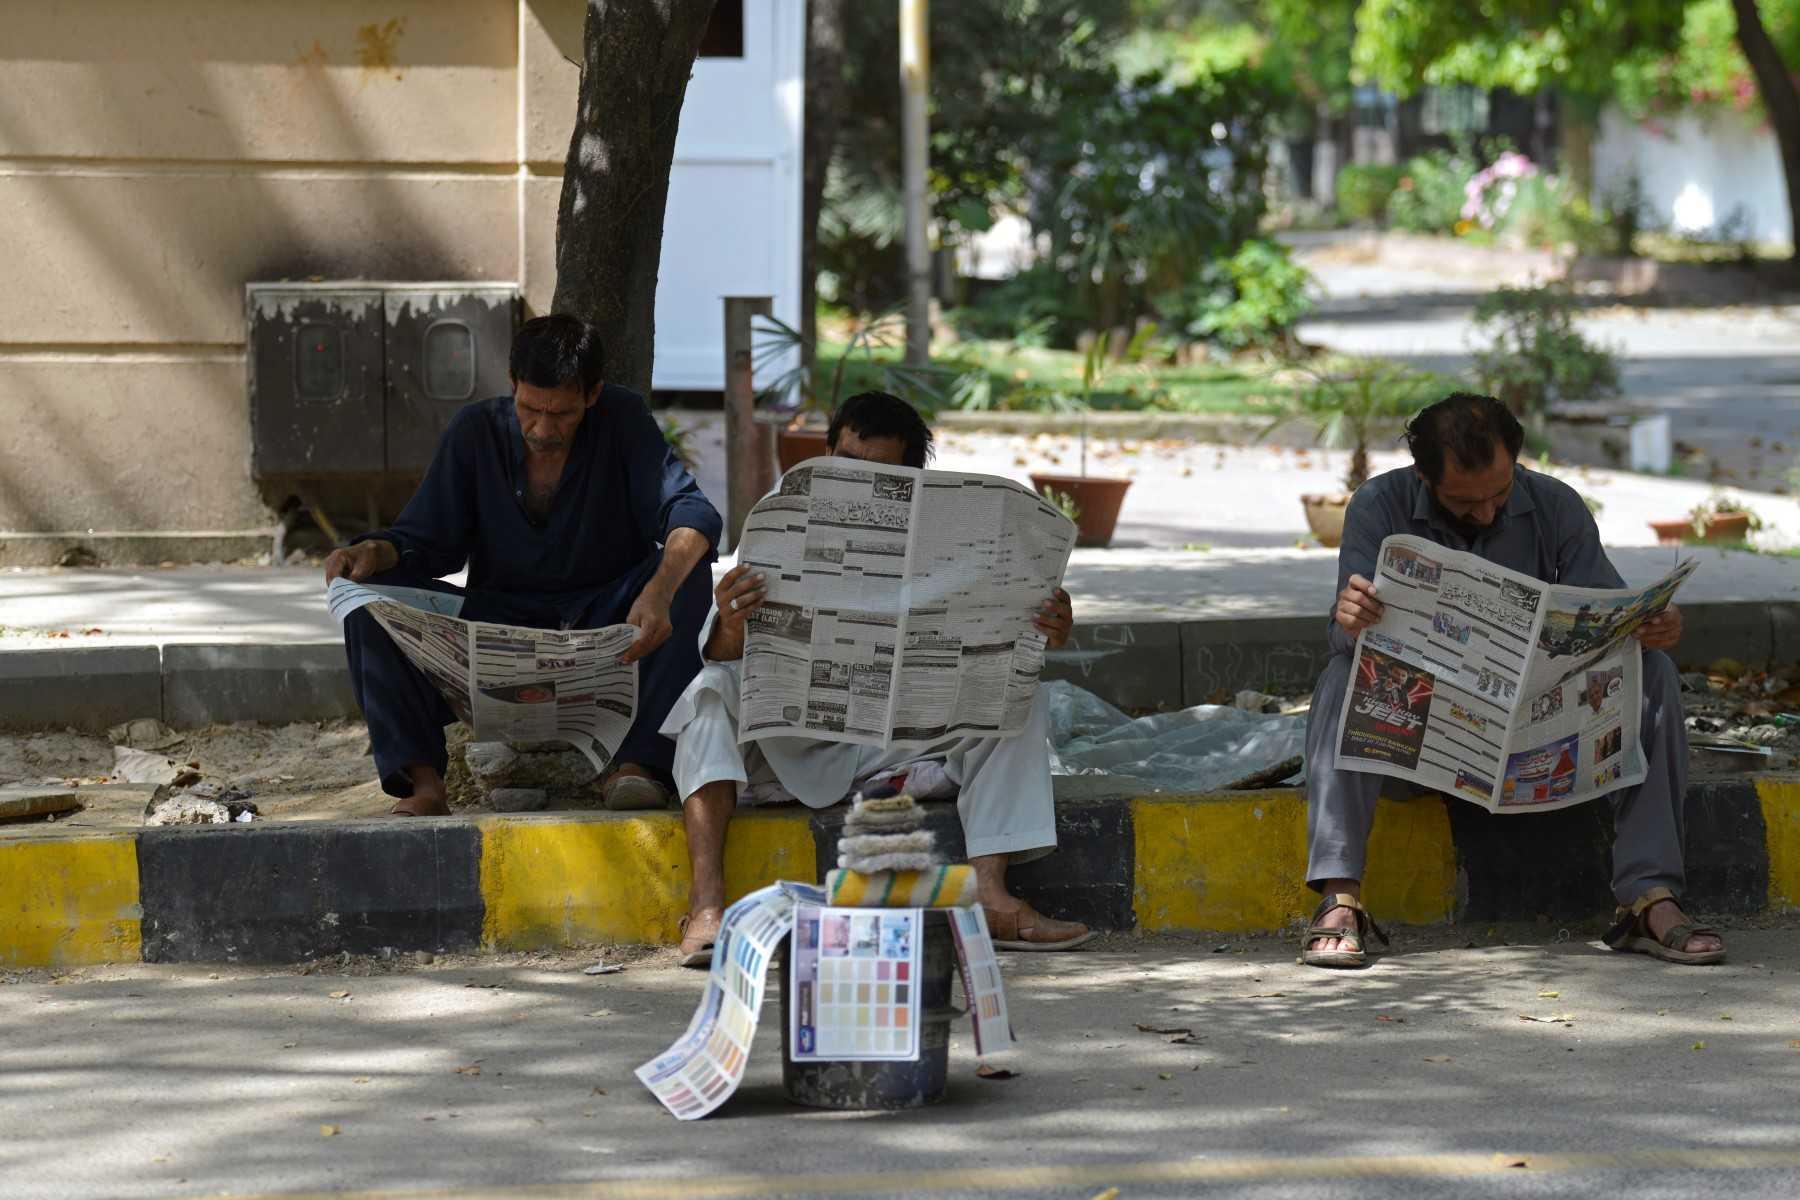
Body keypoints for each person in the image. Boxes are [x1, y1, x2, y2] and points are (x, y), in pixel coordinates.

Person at [662, 390, 1093, 965]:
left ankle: (990, 894)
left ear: (915, 478)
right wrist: (735, 623)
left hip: (894, 737)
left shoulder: (952, 539)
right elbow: (719, 654)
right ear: (825, 456)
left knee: (1019, 699)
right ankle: (709, 903)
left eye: (882, 474)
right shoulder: (784, 514)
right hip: (793, 739)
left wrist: (1044, 627)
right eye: (846, 464)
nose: (859, 481)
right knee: (707, 696)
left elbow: (1009, 639)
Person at [1300, 392, 1723, 968]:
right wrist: (1350, 620)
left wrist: (1649, 626)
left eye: (1499, 495)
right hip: (1421, 743)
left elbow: (1604, 625)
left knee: (1654, 673)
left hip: (1537, 737)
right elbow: (1346, 635)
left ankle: (1649, 898)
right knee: (1343, 675)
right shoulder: (1379, 505)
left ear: (1516, 464)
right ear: (1424, 476)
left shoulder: (1557, 507)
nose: (1486, 513)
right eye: (1463, 501)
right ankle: (1339, 897)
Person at [324, 315, 719, 816]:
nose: (543, 428)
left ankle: (639, 766)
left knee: (688, 565)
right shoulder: (475, 431)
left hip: (605, 619)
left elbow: (691, 512)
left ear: (593, 395)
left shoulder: (623, 419)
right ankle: (422, 782)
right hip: (497, 621)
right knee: (368, 597)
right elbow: (427, 539)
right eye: (531, 408)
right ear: (512, 385)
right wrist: (372, 553)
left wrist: (660, 590)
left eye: (562, 414)